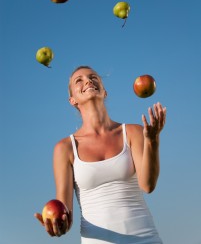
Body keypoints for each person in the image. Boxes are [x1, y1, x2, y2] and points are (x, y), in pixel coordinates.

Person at [35, 65, 166, 243]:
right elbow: (65, 211)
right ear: (72, 100)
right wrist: (59, 225)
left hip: (146, 239)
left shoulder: (134, 132)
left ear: (105, 92)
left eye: (93, 77)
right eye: (78, 81)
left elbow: (148, 185)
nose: (88, 81)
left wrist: (153, 140)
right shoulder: (65, 148)